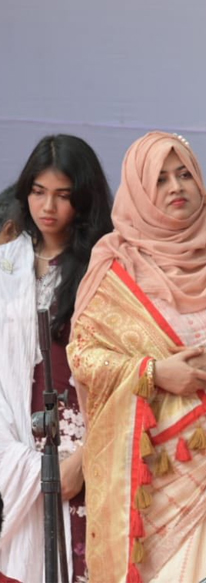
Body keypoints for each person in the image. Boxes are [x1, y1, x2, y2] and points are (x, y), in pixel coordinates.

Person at [68, 131, 206, 583]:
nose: (175, 187)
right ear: (139, 191)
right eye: (159, 179)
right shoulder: (115, 268)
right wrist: (154, 372)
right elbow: (83, 355)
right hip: (148, 469)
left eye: (184, 175)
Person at [0, 136, 112, 583]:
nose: (47, 207)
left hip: (84, 444)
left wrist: (84, 457)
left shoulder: (106, 267)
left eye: (63, 195)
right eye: (38, 191)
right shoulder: (6, 264)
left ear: (84, 199)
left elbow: (120, 373)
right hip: (13, 441)